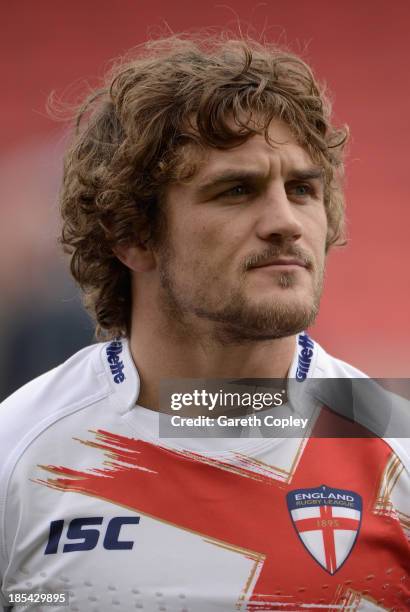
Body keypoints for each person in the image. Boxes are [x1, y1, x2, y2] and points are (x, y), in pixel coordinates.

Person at [0, 34, 408, 612]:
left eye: (302, 189)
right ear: (132, 236)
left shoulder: (396, 445)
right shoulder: (18, 453)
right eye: (236, 191)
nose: (285, 222)